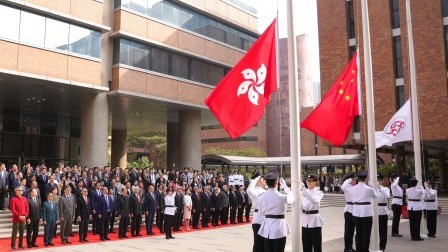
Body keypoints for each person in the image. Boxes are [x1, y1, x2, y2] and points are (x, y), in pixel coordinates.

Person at [258, 171, 294, 252]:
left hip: (267, 226)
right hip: (278, 227)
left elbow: (261, 212)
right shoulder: (281, 197)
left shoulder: (262, 196)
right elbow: (292, 198)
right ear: (276, 182)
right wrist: (284, 185)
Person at [351, 170, 377, 252]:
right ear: (366, 178)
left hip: (356, 211)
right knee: (366, 233)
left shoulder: (353, 188)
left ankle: (359, 249)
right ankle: (365, 250)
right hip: (366, 212)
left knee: (358, 232)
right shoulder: (369, 188)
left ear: (358, 178)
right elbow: (375, 196)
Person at [301, 174, 324, 252]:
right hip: (305, 221)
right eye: (307, 181)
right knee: (306, 246)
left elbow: (314, 201)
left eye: (311, 181)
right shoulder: (303, 192)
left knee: (316, 245)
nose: (309, 182)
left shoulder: (319, 192)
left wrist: (304, 191)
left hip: (314, 221)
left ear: (316, 182)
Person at [247, 173, 266, 252]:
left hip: (266, 219)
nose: (264, 180)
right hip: (258, 220)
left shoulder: (265, 190)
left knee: (265, 244)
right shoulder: (253, 190)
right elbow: (249, 190)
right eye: (262, 179)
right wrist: (254, 180)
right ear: (257, 180)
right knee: (258, 244)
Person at [341, 173, 356, 252]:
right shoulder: (347, 187)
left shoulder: (354, 187)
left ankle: (350, 246)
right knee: (348, 230)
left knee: (352, 230)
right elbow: (342, 187)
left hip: (355, 209)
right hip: (349, 209)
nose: (355, 181)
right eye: (354, 179)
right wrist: (349, 179)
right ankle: (347, 247)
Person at [377, 174, 390, 251]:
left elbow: (387, 196)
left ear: (381, 181)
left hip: (382, 211)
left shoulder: (385, 189)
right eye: (377, 180)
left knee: (383, 231)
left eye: (379, 180)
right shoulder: (371, 189)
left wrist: (379, 188)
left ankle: (382, 246)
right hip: (374, 211)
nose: (378, 181)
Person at [390, 173, 404, 237]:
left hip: (399, 202)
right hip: (395, 203)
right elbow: (395, 184)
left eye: (396, 178)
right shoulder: (393, 185)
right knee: (395, 218)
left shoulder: (397, 185)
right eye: (394, 178)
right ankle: (394, 232)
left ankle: (396, 232)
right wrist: (396, 180)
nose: (396, 179)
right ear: (393, 179)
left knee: (397, 218)